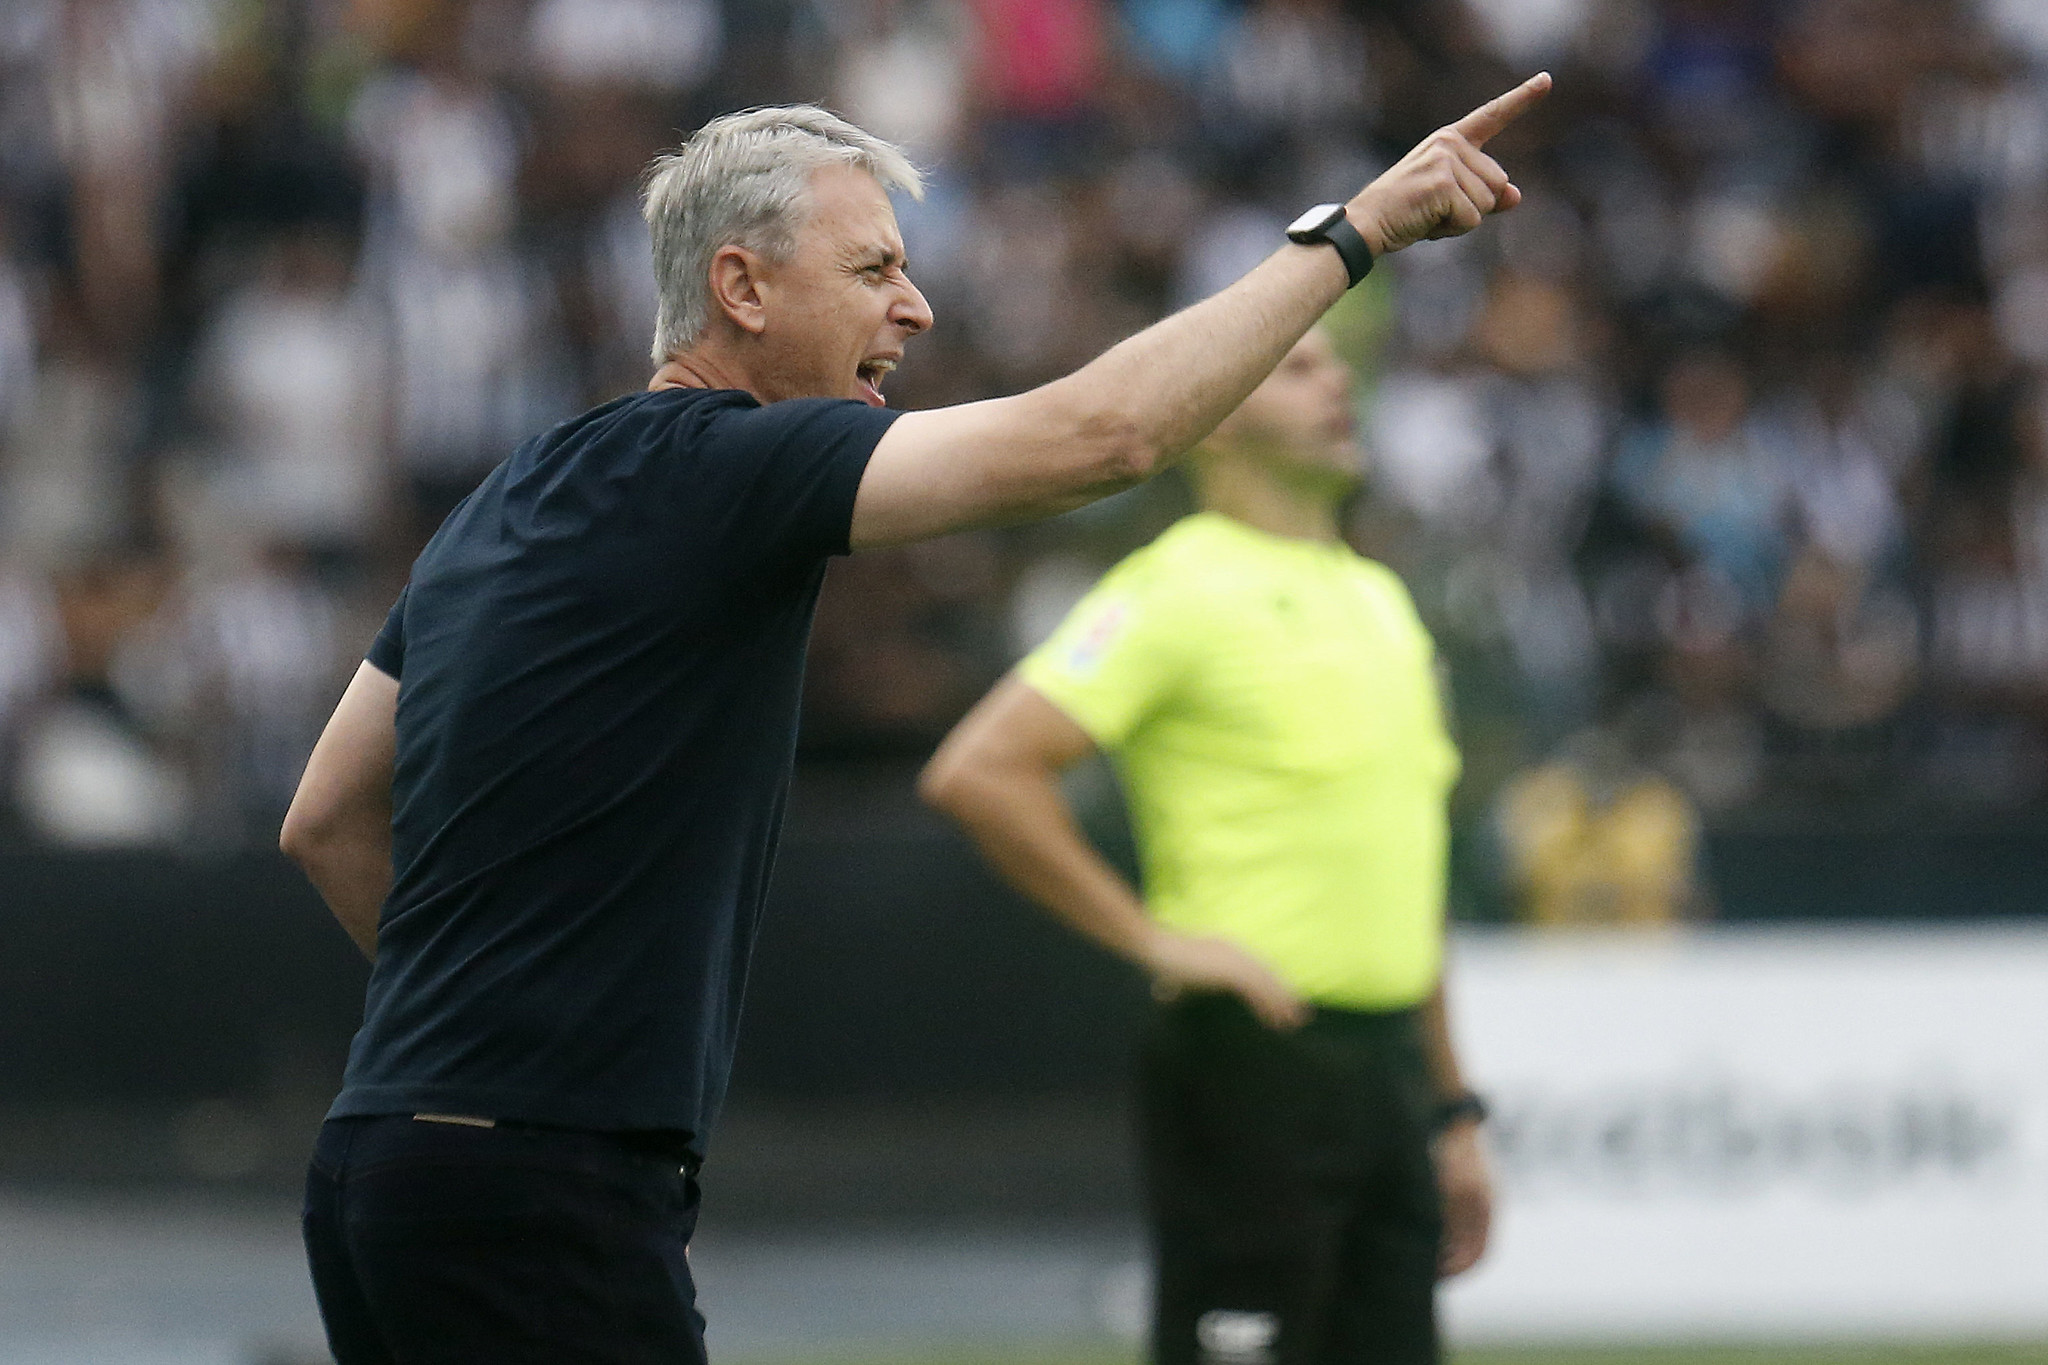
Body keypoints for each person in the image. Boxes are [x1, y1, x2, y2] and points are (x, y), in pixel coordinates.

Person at [280, 78, 1548, 1362]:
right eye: (873, 265)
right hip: (538, 1195)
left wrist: (478, 1045)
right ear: (742, 288)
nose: (916, 305)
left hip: (385, 1167)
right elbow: (1102, 436)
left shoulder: (512, 492)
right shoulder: (725, 468)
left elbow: (324, 818)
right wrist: (1353, 233)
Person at [921, 327, 1492, 1364]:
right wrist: (1155, 941)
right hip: (1252, 1066)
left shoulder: (1380, 601)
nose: (1336, 383)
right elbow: (979, 772)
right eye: (1297, 366)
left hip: (1387, 1080)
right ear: (1214, 408)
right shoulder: (1173, 589)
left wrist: (1451, 1111)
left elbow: (1409, 877)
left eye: (1336, 363)